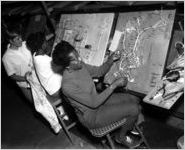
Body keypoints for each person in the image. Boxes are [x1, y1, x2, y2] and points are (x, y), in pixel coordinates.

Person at [52, 41, 142, 148]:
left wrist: (110, 60)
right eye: (74, 60)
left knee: (134, 98)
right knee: (134, 109)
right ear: (67, 66)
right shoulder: (68, 86)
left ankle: (128, 124)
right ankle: (120, 137)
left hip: (99, 100)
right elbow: (94, 103)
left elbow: (99, 71)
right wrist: (114, 85)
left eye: (77, 54)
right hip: (92, 116)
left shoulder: (80, 65)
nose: (79, 59)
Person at [2, 25, 33, 103]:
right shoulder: (7, 57)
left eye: (21, 37)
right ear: (10, 40)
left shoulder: (25, 44)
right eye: (17, 39)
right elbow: (12, 76)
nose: (21, 40)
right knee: (38, 107)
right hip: (26, 86)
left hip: (38, 80)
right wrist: (26, 78)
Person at [26, 32, 62, 98]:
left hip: (52, 88)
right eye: (46, 41)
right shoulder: (44, 61)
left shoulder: (35, 55)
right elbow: (61, 66)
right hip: (57, 90)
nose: (47, 42)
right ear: (42, 46)